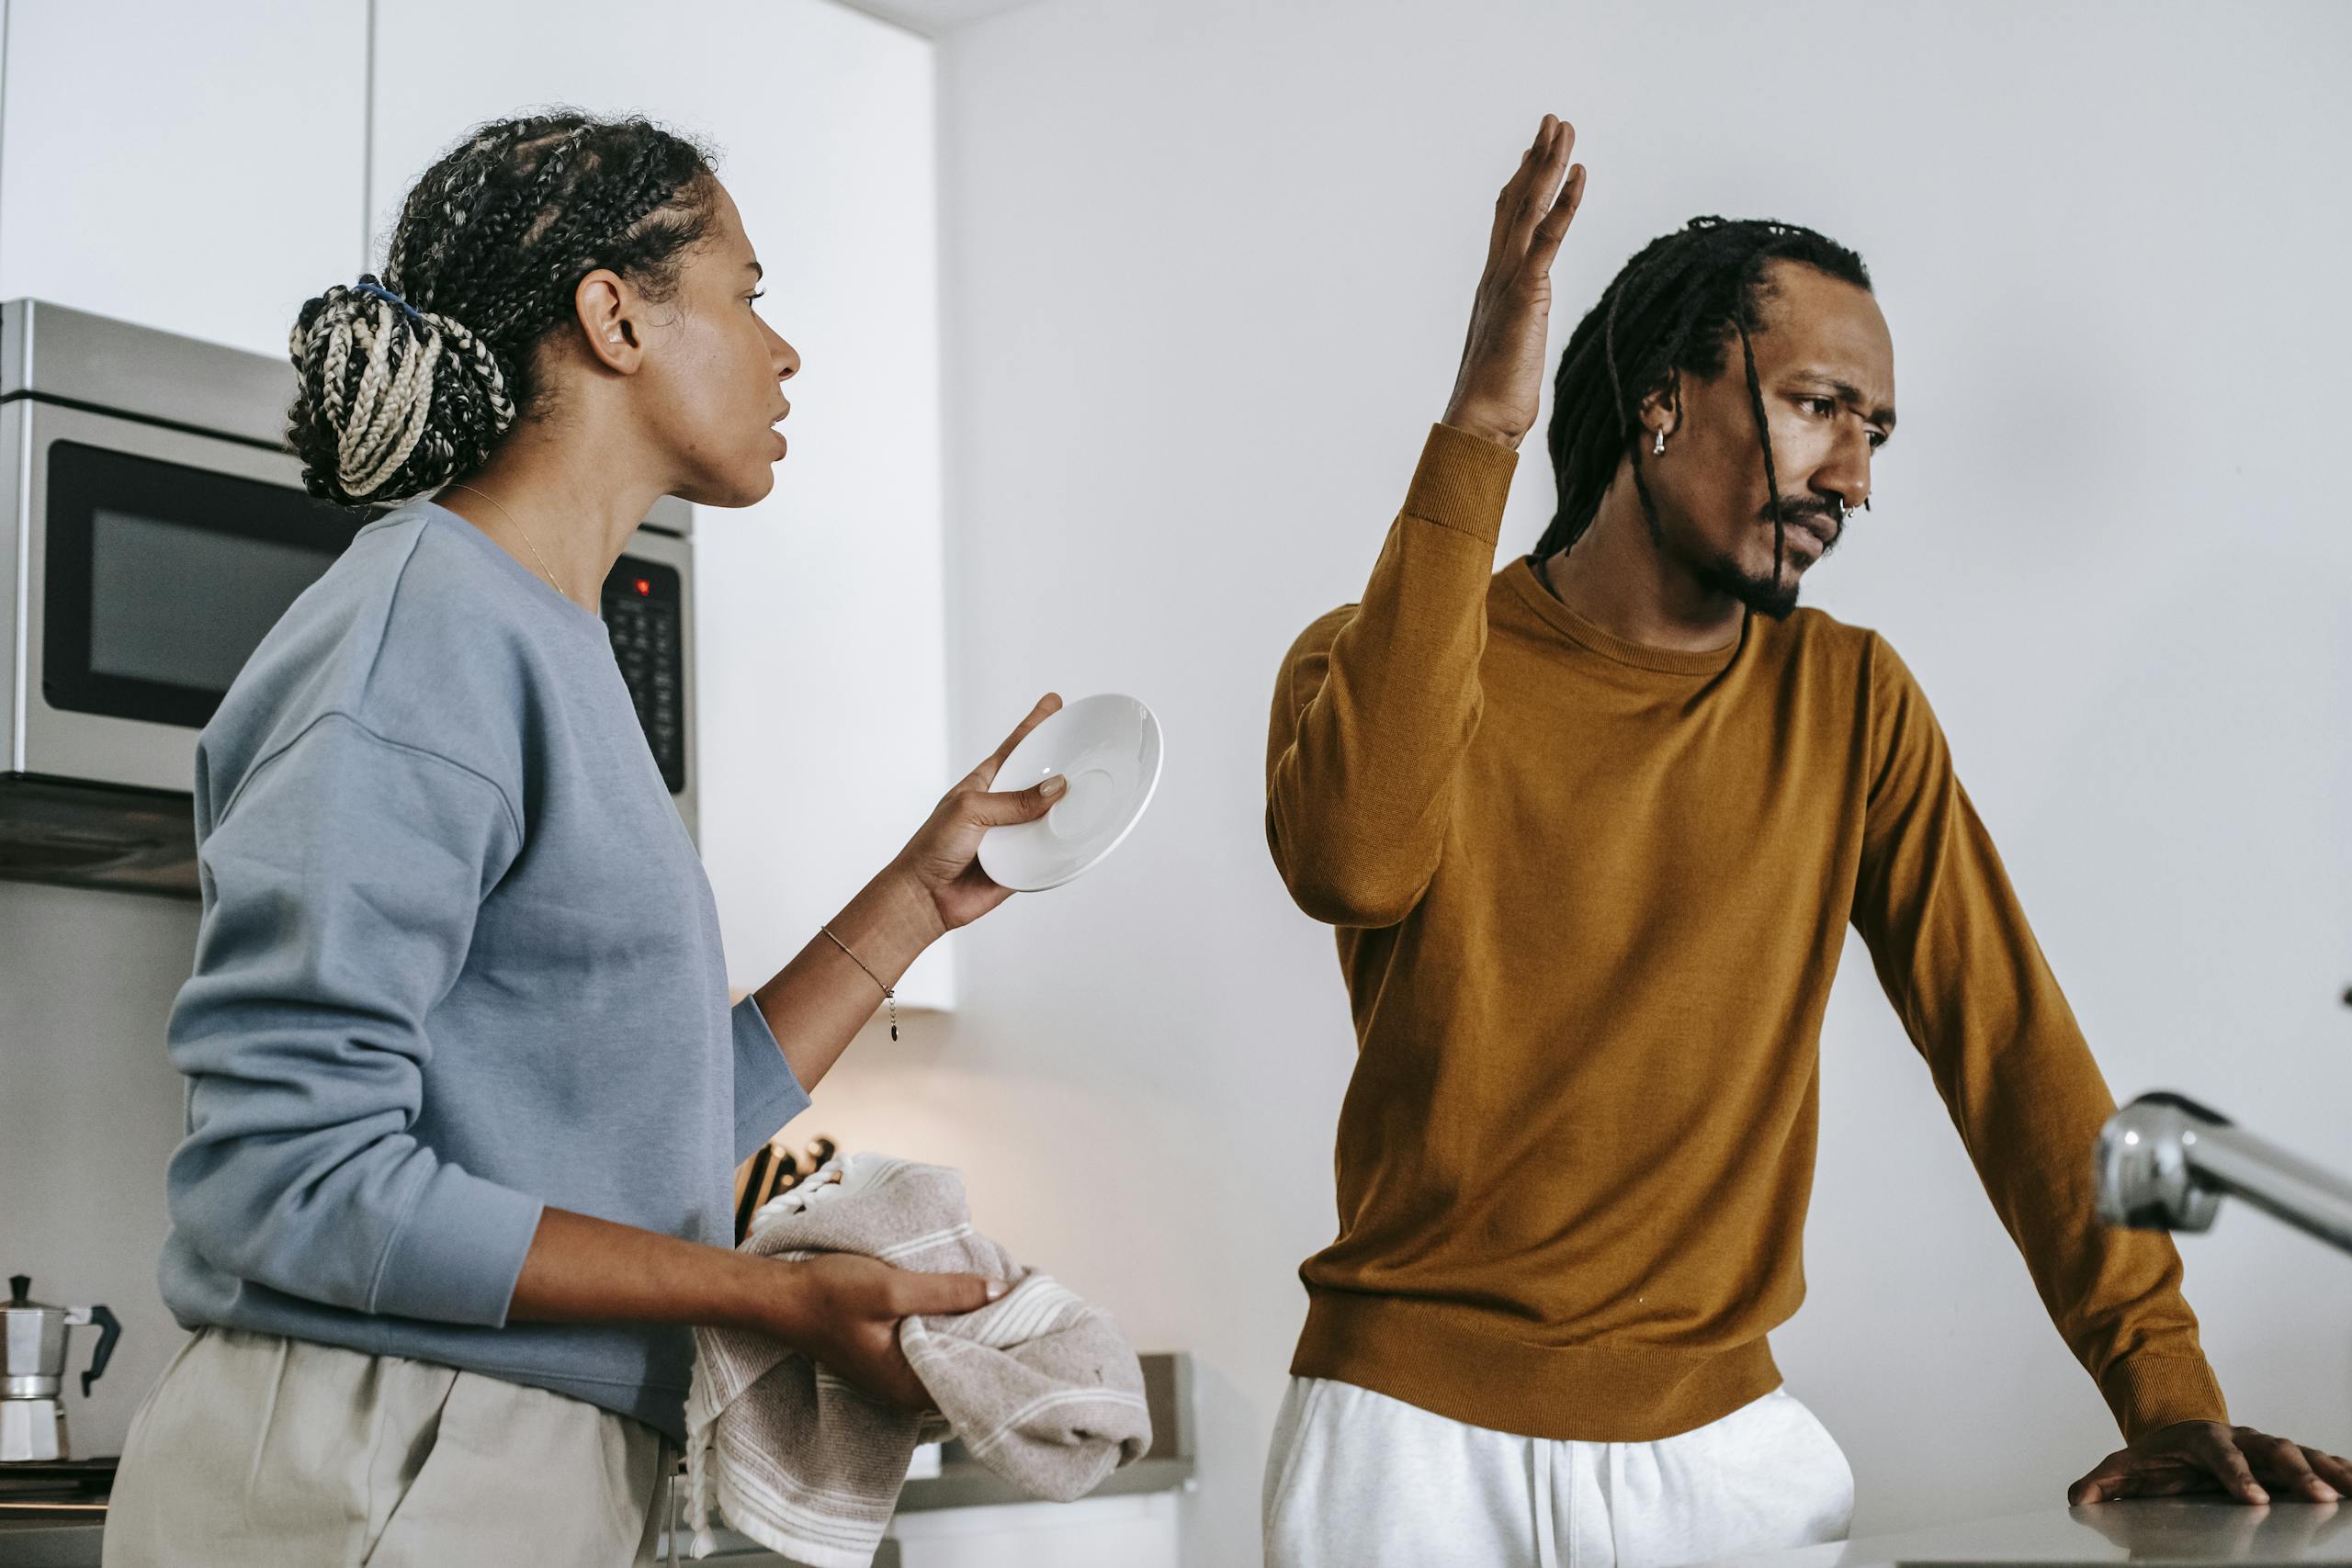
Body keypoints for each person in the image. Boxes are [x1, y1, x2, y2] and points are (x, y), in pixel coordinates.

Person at [1260, 112, 2350, 1568]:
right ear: (1664, 402)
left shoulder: (1850, 703)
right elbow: (1352, 862)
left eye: (1877, 430)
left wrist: (2163, 1390)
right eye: (1821, 406)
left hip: (1723, 1466)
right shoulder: (1381, 658)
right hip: (1401, 1458)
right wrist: (1479, 431)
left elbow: (2012, 1052)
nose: (1857, 477)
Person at [102, 111, 1065, 1566]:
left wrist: (914, 904)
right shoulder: (423, 640)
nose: (783, 350)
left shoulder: (550, 647)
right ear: (614, 317)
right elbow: (285, 1184)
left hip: (500, 1456)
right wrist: (765, 1298)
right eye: (749, 293)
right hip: (381, 1459)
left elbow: (652, 1130)